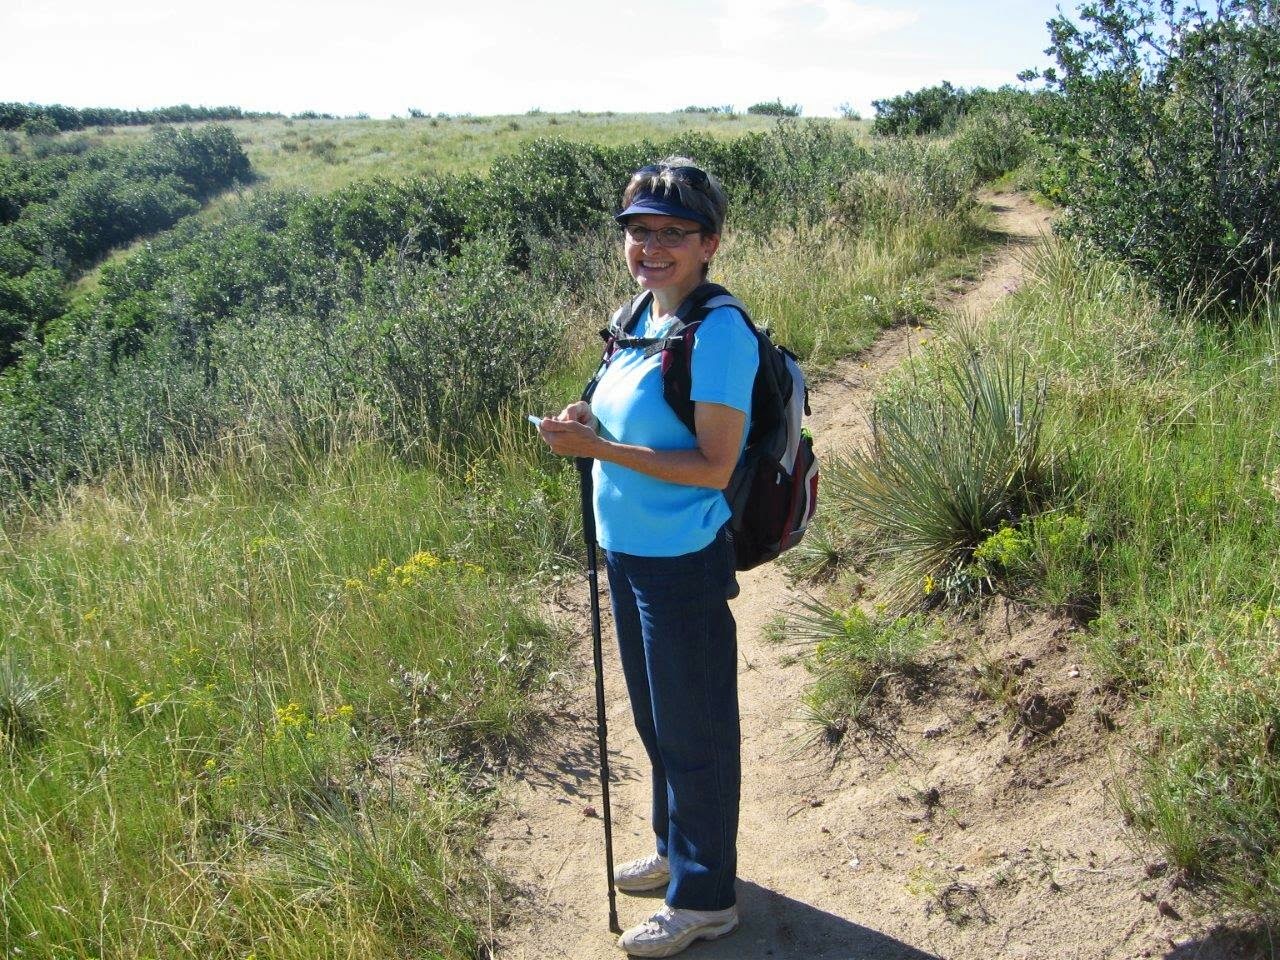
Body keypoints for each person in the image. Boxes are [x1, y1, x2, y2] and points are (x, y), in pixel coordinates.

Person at [536, 158, 758, 957]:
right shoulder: (638, 315)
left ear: (709, 244)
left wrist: (598, 450)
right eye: (638, 230)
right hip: (627, 553)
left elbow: (713, 466)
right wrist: (585, 417)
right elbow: (629, 411)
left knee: (696, 732)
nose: (651, 246)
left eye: (673, 232)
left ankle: (705, 898)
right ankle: (676, 850)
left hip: (681, 560)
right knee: (658, 721)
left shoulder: (718, 333)